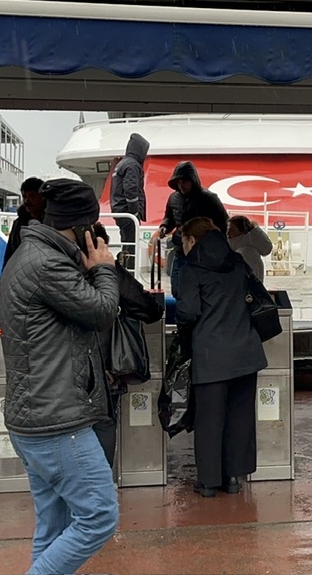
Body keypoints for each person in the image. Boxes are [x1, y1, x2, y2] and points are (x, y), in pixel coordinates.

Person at [0, 178, 121, 574]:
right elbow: (102, 312)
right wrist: (103, 269)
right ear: (83, 226)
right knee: (99, 515)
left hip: (33, 417)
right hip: (56, 420)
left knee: (53, 526)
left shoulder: (29, 254)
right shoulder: (47, 264)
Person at [176, 216, 267, 498]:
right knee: (239, 417)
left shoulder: (192, 268)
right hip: (246, 352)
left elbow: (188, 312)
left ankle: (208, 482)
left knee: (209, 420)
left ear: (191, 239)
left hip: (211, 353)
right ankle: (232, 479)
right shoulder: (237, 262)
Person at [89, 222, 165, 467]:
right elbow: (149, 309)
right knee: (103, 421)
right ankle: (100, 487)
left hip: (61, 366)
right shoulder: (109, 271)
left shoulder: (57, 268)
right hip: (105, 364)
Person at [157, 161, 229, 296]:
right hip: (180, 252)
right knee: (176, 289)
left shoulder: (209, 199)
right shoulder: (173, 198)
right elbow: (169, 218)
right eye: (178, 182)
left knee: (202, 292)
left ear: (193, 180)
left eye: (185, 181)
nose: (181, 185)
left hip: (204, 255)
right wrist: (164, 227)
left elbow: (224, 224)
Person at [110, 133, 150, 262]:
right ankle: (129, 273)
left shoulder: (121, 164)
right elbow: (131, 189)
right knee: (131, 246)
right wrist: (134, 211)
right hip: (127, 212)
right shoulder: (132, 165)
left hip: (119, 210)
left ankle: (124, 270)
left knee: (126, 243)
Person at [4, 177, 45, 263]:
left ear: (42, 197)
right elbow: (10, 253)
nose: (27, 200)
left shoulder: (51, 222)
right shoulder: (18, 223)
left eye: (32, 196)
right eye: (24, 196)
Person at [227, 215, 273, 283]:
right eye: (228, 230)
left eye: (232, 230)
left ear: (242, 232)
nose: (228, 233)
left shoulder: (248, 253)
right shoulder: (242, 251)